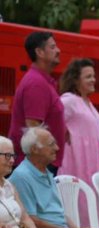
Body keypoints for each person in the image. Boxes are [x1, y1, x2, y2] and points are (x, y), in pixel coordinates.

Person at [58, 58, 99, 225]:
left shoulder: (88, 103)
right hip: (77, 163)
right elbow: (52, 124)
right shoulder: (68, 100)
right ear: (76, 80)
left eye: (93, 76)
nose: (93, 80)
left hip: (94, 163)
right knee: (80, 205)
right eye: (88, 76)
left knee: (93, 204)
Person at [9, 31, 66, 172]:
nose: (58, 51)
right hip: (36, 165)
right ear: (39, 52)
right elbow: (33, 129)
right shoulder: (36, 84)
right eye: (52, 47)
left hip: (41, 164)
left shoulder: (43, 81)